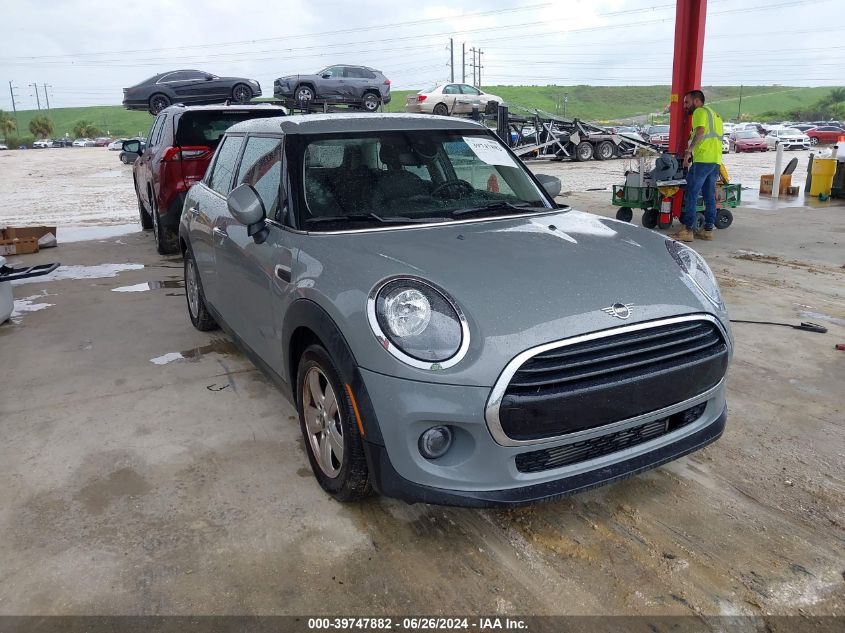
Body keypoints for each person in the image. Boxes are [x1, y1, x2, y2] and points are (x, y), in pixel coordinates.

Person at [670, 90, 724, 242]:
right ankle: (707, 231)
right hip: (715, 161)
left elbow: (700, 132)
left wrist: (689, 151)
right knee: (709, 196)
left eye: (687, 102)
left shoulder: (699, 112)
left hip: (702, 160)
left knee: (691, 194)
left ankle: (688, 230)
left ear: (696, 101)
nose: (685, 106)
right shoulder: (716, 115)